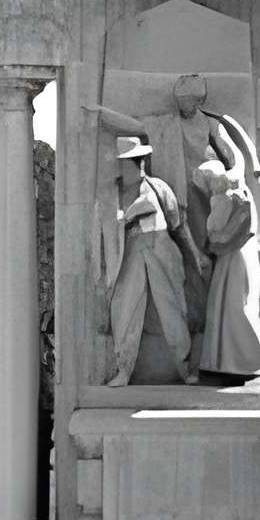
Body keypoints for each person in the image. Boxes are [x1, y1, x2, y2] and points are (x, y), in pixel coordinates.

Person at [86, 75, 259, 233]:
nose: (182, 105)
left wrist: (235, 174)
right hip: (182, 189)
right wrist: (103, 115)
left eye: (187, 101)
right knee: (188, 233)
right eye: (180, 101)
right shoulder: (167, 124)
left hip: (206, 188)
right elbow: (137, 126)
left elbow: (232, 154)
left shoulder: (210, 124)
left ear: (199, 101)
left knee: (209, 233)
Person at [101, 137, 204, 387]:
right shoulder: (113, 193)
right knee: (124, 309)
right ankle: (124, 370)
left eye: (136, 161)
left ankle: (187, 368)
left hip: (161, 248)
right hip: (130, 251)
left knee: (173, 309)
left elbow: (178, 225)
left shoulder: (159, 187)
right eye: (128, 162)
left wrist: (195, 255)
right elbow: (104, 227)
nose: (135, 166)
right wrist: (123, 221)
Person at [188, 160, 260, 394]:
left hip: (232, 257)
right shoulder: (241, 195)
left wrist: (210, 238)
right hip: (240, 255)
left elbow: (214, 231)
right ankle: (236, 361)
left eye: (207, 183)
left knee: (232, 306)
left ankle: (240, 361)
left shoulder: (223, 199)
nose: (208, 188)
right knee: (236, 304)